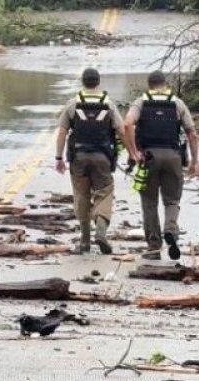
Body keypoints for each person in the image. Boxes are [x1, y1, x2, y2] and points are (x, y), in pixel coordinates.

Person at [54, 67, 137, 254]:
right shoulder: (108, 104)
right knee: (104, 192)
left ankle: (84, 241)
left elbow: (61, 132)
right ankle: (100, 230)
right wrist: (131, 152)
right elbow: (121, 130)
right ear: (98, 82)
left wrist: (59, 158)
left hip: (78, 157)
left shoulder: (72, 103)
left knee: (81, 196)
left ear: (83, 82)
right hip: (102, 158)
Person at [123, 70, 199, 260]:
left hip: (148, 159)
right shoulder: (177, 103)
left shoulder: (141, 102)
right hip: (173, 157)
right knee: (172, 200)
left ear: (149, 85)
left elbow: (128, 124)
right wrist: (194, 161)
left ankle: (154, 247)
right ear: (165, 84)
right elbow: (192, 133)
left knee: (149, 203)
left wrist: (133, 152)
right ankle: (171, 230)